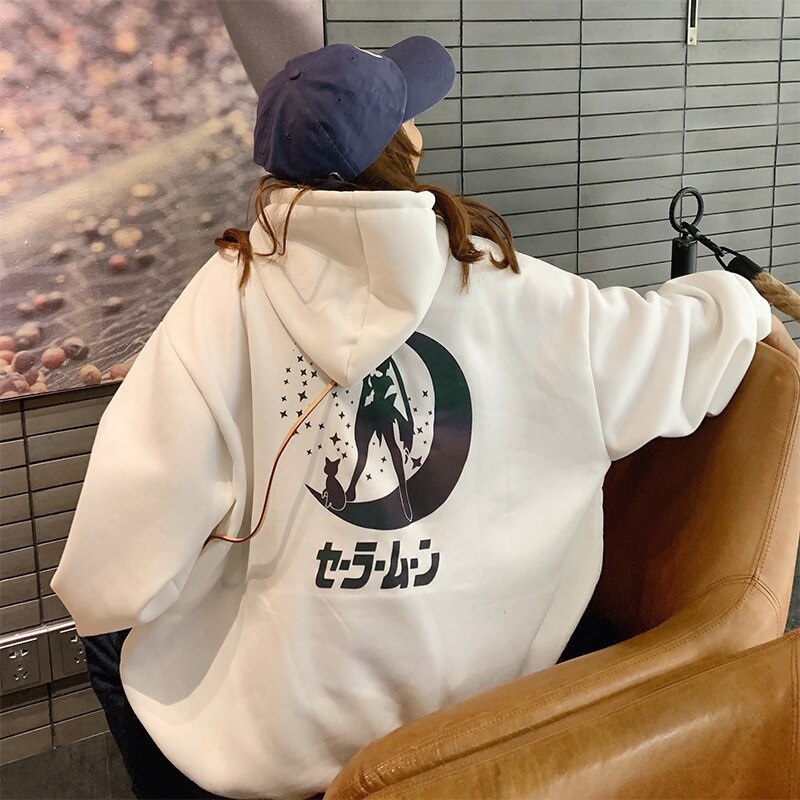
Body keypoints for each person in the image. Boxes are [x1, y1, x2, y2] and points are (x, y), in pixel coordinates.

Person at [51, 35, 798, 800]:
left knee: (113, 641)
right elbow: (673, 344)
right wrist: (735, 299)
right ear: (400, 146)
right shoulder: (506, 285)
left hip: (280, 734)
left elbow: (119, 560)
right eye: (409, 114)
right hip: (489, 690)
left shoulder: (223, 297)